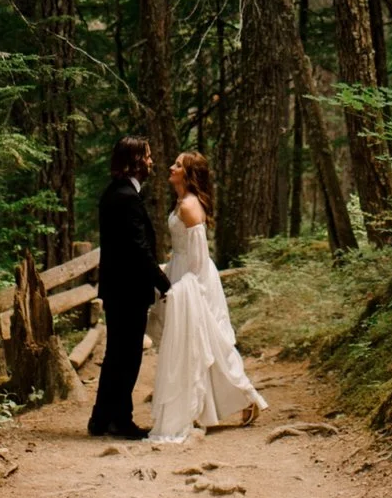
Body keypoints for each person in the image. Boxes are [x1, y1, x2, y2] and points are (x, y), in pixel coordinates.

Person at [147, 150, 267, 444]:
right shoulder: (180, 203)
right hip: (179, 272)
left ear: (188, 174)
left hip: (195, 281)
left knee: (209, 341)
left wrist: (190, 293)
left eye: (177, 164)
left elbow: (199, 259)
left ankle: (244, 396)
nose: (171, 167)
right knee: (192, 345)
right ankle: (208, 405)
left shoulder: (189, 206)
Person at [88, 135, 171, 439]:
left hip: (118, 290)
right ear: (135, 162)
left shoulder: (115, 193)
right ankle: (121, 421)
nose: (151, 161)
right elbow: (138, 248)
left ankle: (101, 419)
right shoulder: (125, 197)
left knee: (117, 355)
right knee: (127, 356)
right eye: (147, 156)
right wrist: (164, 284)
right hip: (127, 291)